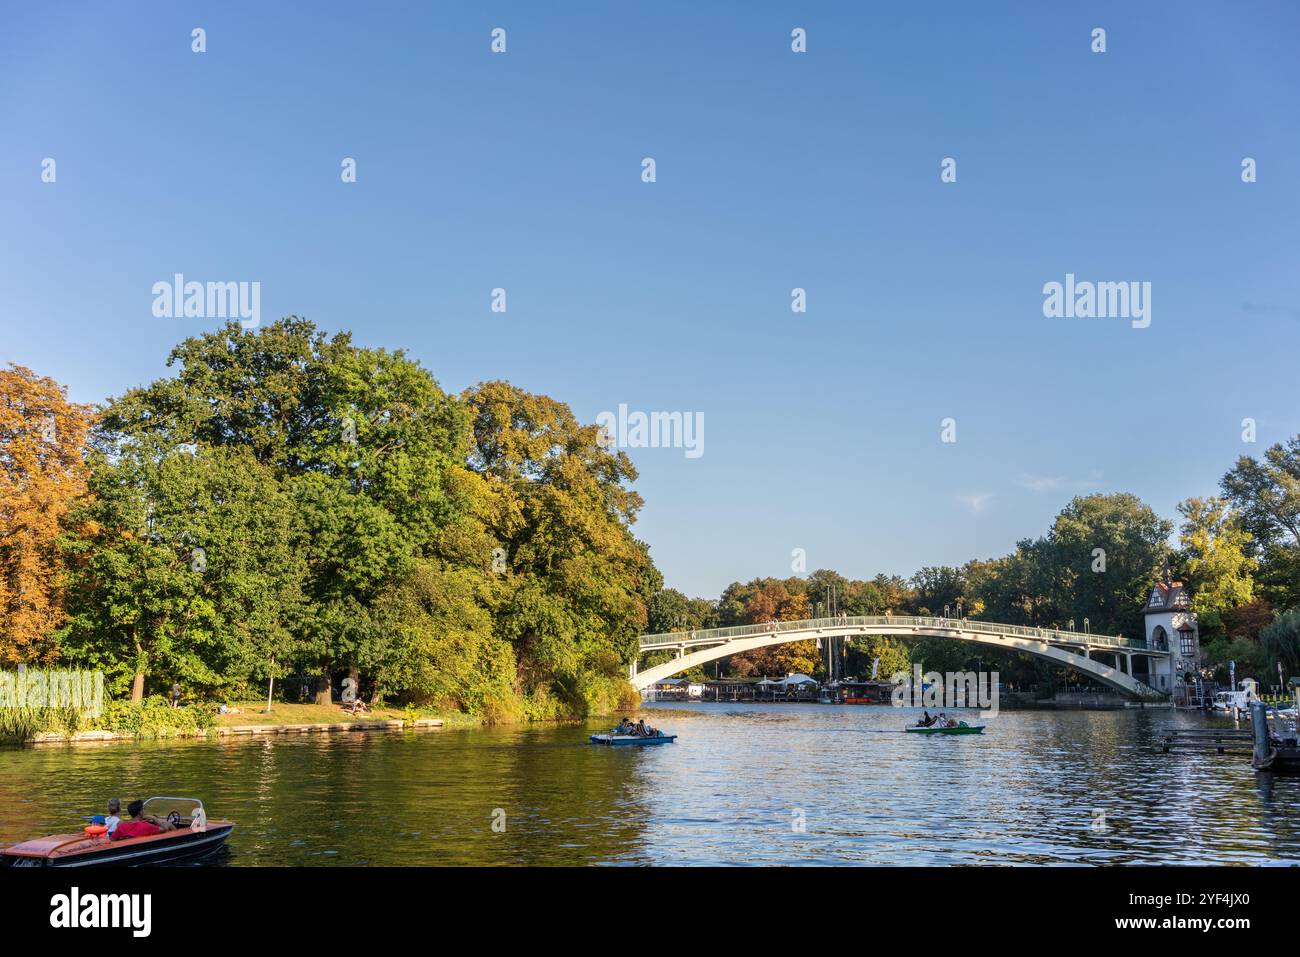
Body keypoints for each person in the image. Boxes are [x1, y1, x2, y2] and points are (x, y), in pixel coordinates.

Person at [111, 800, 177, 841]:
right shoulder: (146, 826)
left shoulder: (122, 825)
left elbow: (112, 839)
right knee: (168, 824)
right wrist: (154, 818)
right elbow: (164, 829)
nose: (144, 811)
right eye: (143, 809)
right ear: (140, 812)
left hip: (128, 849)